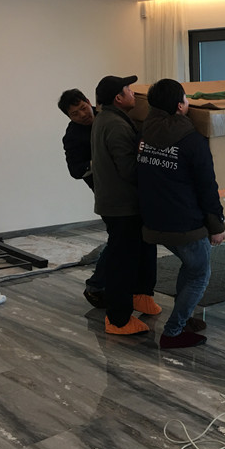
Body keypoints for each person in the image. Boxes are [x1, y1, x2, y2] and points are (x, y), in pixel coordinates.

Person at [136, 79, 225, 349]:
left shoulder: (143, 135)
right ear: (179, 106)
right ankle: (173, 332)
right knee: (199, 274)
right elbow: (207, 187)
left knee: (190, 267)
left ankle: (183, 319)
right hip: (185, 223)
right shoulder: (192, 141)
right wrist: (217, 226)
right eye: (186, 99)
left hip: (153, 220)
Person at [92, 75, 161, 335]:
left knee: (143, 251)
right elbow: (129, 170)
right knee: (123, 261)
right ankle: (118, 319)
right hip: (121, 206)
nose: (134, 93)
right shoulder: (116, 125)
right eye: (128, 89)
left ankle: (141, 296)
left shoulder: (109, 118)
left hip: (122, 203)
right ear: (118, 98)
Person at [57, 88, 108, 309]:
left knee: (128, 240)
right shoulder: (72, 137)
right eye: (75, 114)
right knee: (120, 240)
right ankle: (95, 286)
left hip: (128, 187)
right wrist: (99, 161)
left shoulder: (107, 115)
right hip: (105, 192)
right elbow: (75, 171)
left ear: (89, 101)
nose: (82, 115)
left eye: (83, 108)